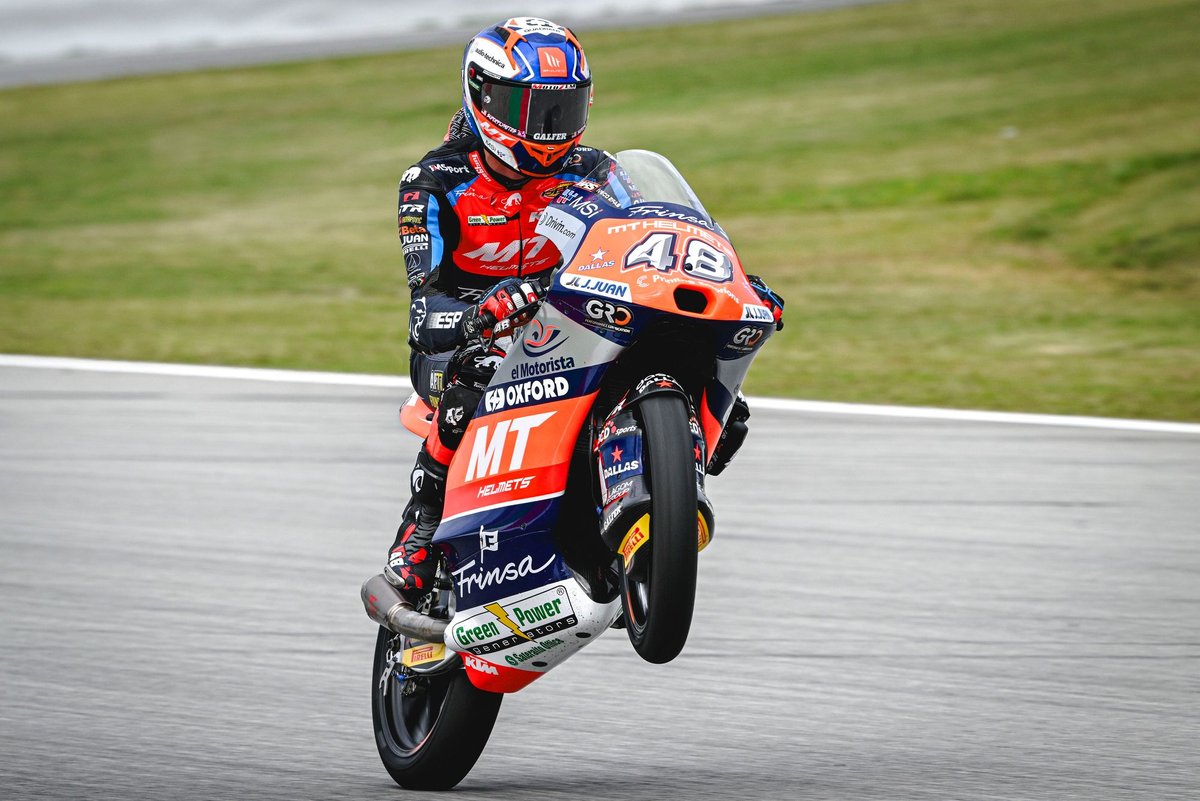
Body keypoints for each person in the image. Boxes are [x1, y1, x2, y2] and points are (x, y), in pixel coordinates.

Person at [384, 17, 785, 602]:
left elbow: (655, 243)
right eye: (530, 111)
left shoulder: (596, 170)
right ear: (481, 96)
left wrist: (730, 279)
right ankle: (418, 532)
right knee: (471, 378)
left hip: (570, 319)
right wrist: (480, 314)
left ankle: (643, 499)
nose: (547, 131)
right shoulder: (432, 183)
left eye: (561, 110)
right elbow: (424, 313)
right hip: (468, 337)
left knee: (725, 405)